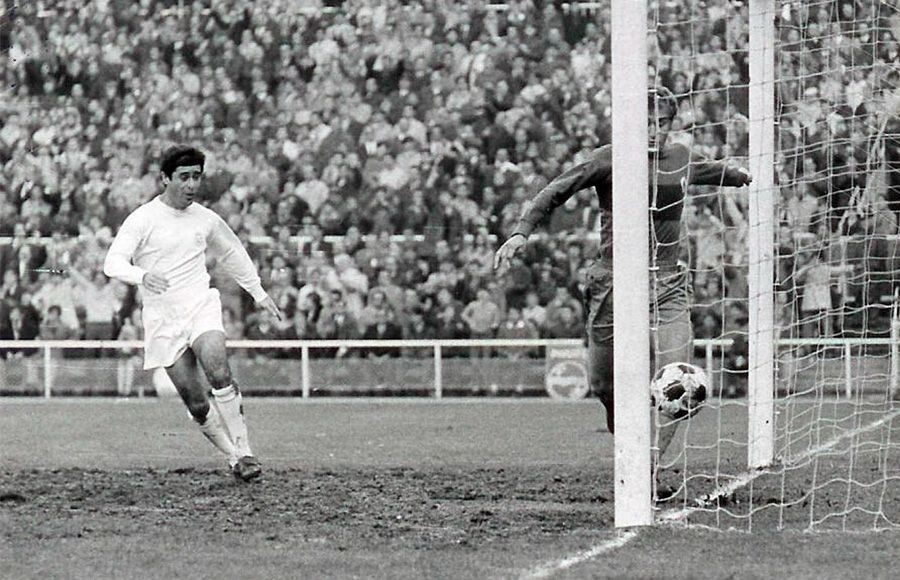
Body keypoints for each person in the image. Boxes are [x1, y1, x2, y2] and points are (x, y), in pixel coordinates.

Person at [494, 87, 752, 467]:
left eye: (661, 123)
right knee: (603, 383)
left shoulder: (680, 157)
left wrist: (744, 174)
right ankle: (626, 435)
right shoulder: (609, 158)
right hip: (612, 282)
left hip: (667, 284)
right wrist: (521, 231)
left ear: (672, 124)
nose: (653, 130)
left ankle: (647, 466)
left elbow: (713, 171)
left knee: (677, 375)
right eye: (646, 122)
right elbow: (558, 189)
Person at [104, 145, 283, 482]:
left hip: (200, 304)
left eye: (196, 177)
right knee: (197, 403)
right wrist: (142, 275)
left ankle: (245, 450)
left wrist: (258, 293)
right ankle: (233, 458)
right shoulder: (143, 219)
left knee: (217, 367)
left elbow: (233, 253)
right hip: (162, 319)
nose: (191, 184)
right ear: (164, 179)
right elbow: (112, 262)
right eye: (183, 177)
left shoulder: (206, 218)